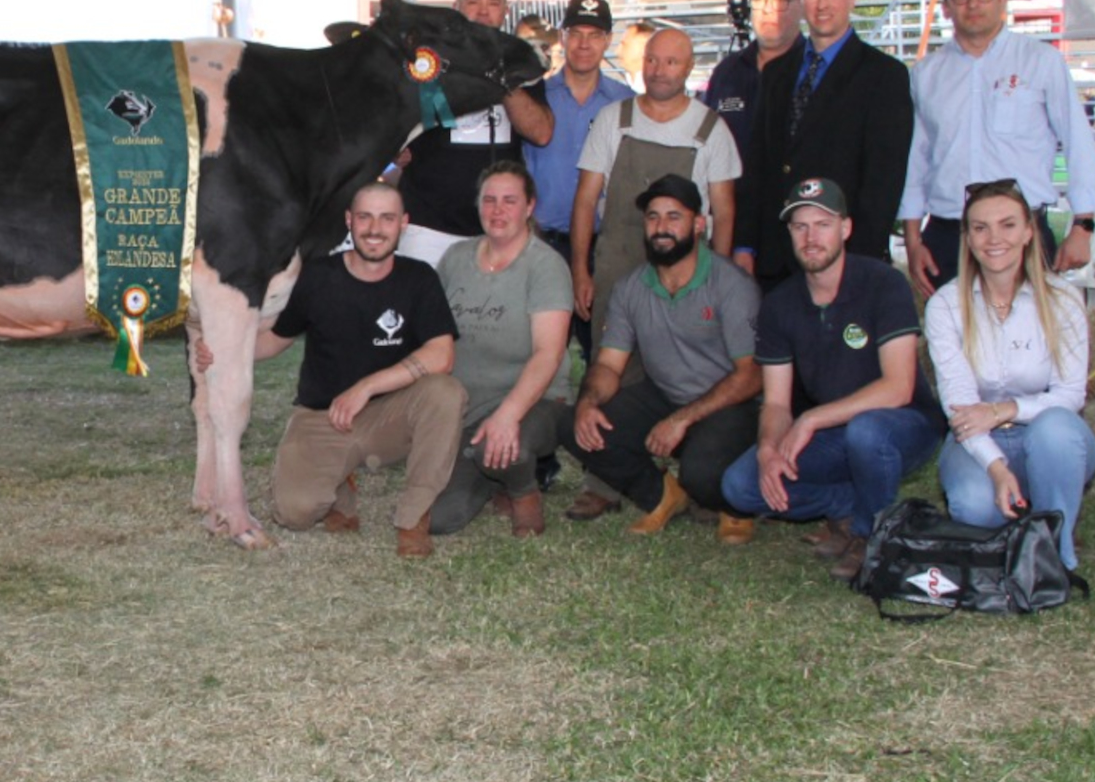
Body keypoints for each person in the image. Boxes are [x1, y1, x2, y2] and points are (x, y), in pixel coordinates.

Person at [721, 177, 944, 583]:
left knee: (867, 431)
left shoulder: (883, 283)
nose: (811, 238)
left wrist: (811, 419)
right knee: (741, 485)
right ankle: (850, 505)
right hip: (836, 433)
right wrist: (769, 447)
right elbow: (776, 403)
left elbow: (898, 387)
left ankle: (871, 534)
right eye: (800, 226)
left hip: (902, 426)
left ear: (845, 228)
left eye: (823, 225)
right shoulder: (780, 304)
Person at [242, 181, 464, 556]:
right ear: (349, 221)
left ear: (403, 223)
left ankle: (413, 517)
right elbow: (276, 339)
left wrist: (367, 387)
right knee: (293, 513)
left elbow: (442, 355)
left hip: (390, 417)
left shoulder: (420, 278)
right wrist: (225, 351)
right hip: (324, 415)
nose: (375, 229)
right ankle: (339, 486)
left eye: (387, 218)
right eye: (365, 217)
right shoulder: (317, 276)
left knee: (446, 392)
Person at [563, 175, 763, 538]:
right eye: (653, 217)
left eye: (674, 216)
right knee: (577, 426)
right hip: (666, 396)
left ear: (698, 224)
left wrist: (682, 420)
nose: (661, 227)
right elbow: (608, 365)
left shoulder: (731, 284)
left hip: (727, 404)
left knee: (701, 474)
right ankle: (663, 494)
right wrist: (587, 403)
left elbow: (751, 375)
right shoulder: (631, 287)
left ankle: (733, 505)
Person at [900, 0, 1095, 300]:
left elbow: (1078, 143)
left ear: (1002, 0)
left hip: (1022, 234)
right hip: (949, 237)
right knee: (951, 332)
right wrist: (912, 240)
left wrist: (1083, 226)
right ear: (946, 7)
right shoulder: (925, 74)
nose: (973, 4)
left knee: (1030, 332)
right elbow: (914, 161)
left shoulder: (1041, 61)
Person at [924, 178, 1095, 569]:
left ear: (1028, 232)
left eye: (1007, 225)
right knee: (974, 506)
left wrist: (1003, 410)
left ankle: (1055, 556)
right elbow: (961, 408)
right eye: (980, 228)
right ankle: (1022, 518)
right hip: (977, 439)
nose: (994, 239)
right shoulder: (945, 306)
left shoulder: (1063, 299)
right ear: (967, 238)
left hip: (1049, 437)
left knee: (1056, 429)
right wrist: (997, 468)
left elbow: (1071, 395)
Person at [748, 0, 914, 288]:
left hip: (845, 257)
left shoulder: (884, 75)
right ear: (801, 2)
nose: (822, 4)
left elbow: (884, 179)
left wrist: (860, 259)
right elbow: (758, 164)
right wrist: (746, 244)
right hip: (777, 257)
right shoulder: (776, 73)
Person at [430, 163, 571, 537]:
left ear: (529, 207)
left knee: (508, 447)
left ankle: (523, 492)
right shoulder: (455, 258)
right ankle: (495, 480)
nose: (497, 210)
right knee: (440, 519)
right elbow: (432, 334)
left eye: (510, 200)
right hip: (467, 408)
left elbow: (548, 354)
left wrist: (508, 414)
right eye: (489, 200)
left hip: (534, 401)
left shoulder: (546, 266)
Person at [568, 27, 741, 322]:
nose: (658, 71)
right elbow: (585, 200)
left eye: (671, 62)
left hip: (685, 282)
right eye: (652, 60)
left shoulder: (712, 130)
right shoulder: (612, 120)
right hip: (616, 273)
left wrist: (717, 283)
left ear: (689, 67)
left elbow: (724, 214)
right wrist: (580, 270)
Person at [392, 0, 554, 266]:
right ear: (456, 5)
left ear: (505, 11)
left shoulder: (522, 61)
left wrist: (498, 71)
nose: (483, 12)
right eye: (473, 1)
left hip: (498, 227)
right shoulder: (427, 59)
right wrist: (396, 149)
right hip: (428, 225)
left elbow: (541, 132)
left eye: (493, 3)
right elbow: (392, 121)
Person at [523, 0, 630, 267]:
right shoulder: (535, 98)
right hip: (541, 245)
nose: (584, 44)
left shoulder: (626, 103)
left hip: (607, 248)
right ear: (562, 37)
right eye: (576, 34)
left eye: (594, 35)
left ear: (608, 40)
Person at [701, 0, 802, 185]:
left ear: (803, 5)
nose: (768, 9)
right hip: (733, 203)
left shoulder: (816, 70)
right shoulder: (726, 72)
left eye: (782, 1)